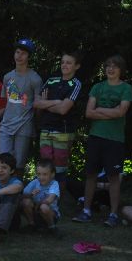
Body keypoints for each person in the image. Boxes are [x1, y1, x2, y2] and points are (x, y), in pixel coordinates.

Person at [73, 55, 132, 227]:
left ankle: (113, 214)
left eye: (115, 66)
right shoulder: (97, 87)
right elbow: (89, 113)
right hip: (95, 136)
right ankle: (86, 211)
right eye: (108, 66)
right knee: (91, 175)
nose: (110, 69)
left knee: (113, 177)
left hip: (115, 139)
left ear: (121, 70)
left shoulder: (126, 88)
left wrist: (99, 110)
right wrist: (110, 112)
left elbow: (121, 112)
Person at [34, 51, 83, 184]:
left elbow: (63, 109)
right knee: (45, 166)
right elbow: (36, 103)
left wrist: (46, 104)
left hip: (63, 131)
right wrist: (56, 102)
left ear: (77, 66)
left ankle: (57, 195)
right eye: (62, 62)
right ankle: (44, 194)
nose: (64, 65)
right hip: (46, 129)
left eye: (69, 63)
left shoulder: (76, 84)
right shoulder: (51, 80)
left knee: (59, 168)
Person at [0, 39, 43, 167]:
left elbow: (39, 106)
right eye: (17, 52)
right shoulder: (7, 77)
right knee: (3, 163)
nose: (19, 56)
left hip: (24, 126)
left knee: (18, 164)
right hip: (6, 125)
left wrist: (36, 124)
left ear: (29, 56)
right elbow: (5, 102)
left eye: (23, 53)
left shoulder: (35, 79)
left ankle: (18, 181)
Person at [18, 158, 62, 235]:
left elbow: (50, 199)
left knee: (44, 206)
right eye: (39, 174)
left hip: (50, 214)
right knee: (26, 202)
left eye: (45, 174)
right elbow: (21, 196)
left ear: (52, 174)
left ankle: (52, 227)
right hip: (36, 212)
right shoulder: (35, 182)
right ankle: (32, 225)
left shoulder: (54, 184)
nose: (41, 177)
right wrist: (31, 195)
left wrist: (37, 206)